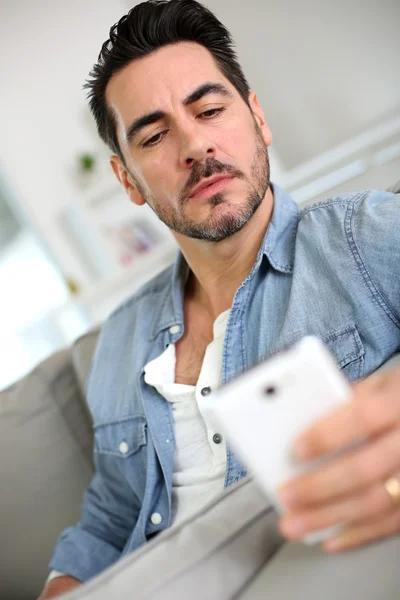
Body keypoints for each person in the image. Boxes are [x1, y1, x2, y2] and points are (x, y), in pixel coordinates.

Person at [39, 0, 400, 597]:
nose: (193, 144)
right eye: (154, 135)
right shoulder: (119, 340)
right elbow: (108, 517)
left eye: (209, 109)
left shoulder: (360, 238)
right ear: (127, 180)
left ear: (257, 117)